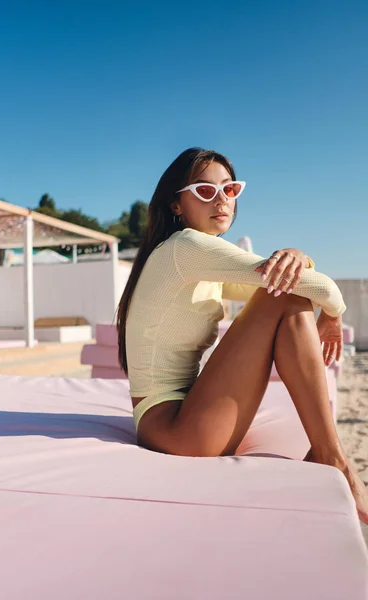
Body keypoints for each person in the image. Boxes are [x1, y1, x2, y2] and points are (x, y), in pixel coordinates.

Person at [116, 147, 368, 524]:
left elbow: (286, 284)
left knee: (283, 293)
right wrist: (332, 313)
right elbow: (318, 288)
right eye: (205, 191)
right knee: (283, 293)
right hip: (176, 431)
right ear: (176, 205)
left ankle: (326, 452)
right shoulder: (187, 247)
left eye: (230, 189)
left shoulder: (193, 255)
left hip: (184, 421)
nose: (221, 200)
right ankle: (333, 457)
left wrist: (300, 257)